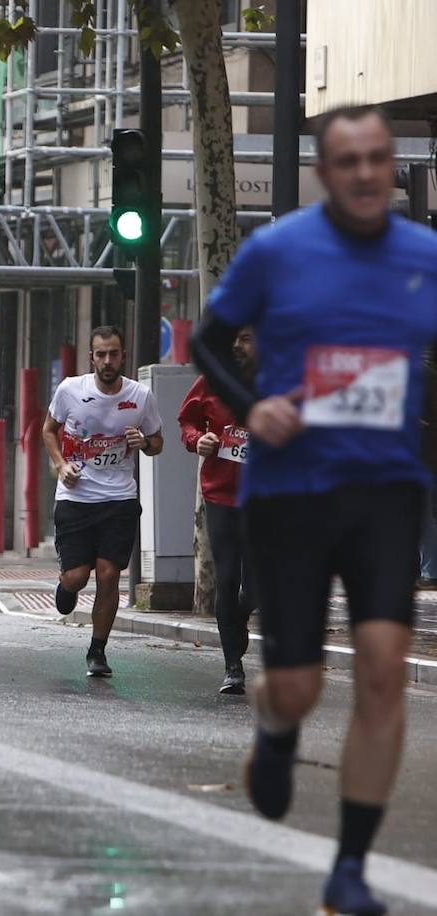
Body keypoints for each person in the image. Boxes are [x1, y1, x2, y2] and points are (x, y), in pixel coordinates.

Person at [191, 104, 437, 915]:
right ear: (325, 173)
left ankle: (350, 872)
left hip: (385, 494)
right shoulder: (276, 253)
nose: (366, 173)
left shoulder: (425, 257)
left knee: (379, 676)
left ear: (390, 169)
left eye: (379, 159)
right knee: (296, 685)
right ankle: (276, 728)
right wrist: (251, 406)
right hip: (288, 493)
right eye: (350, 161)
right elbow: (206, 342)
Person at [41, 325, 163, 678]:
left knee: (109, 575)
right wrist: (60, 465)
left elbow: (158, 442)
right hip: (76, 498)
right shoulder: (70, 390)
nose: (107, 360)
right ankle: (65, 585)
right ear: (91, 357)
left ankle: (97, 649)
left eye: (114, 353)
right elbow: (49, 430)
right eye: (101, 354)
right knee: (78, 577)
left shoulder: (140, 397)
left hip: (119, 498)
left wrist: (144, 442)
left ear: (123, 356)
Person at [178, 327, 257, 695]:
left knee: (256, 588)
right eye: (234, 338)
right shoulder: (212, 380)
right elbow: (188, 421)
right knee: (227, 578)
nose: (238, 346)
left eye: (246, 338)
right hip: (222, 495)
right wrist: (200, 440)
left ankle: (237, 622)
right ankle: (233, 666)